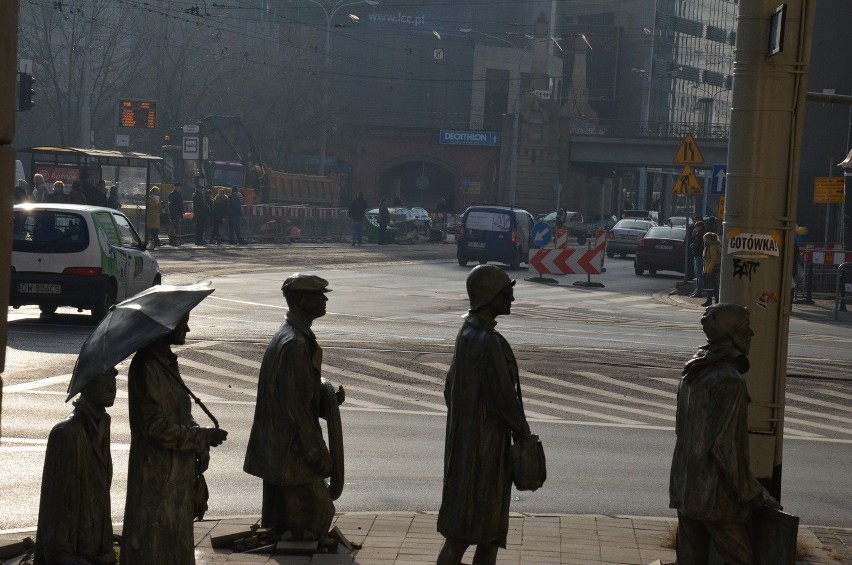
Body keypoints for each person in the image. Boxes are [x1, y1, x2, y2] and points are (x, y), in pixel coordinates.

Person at [669, 304, 781, 564]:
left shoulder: (692, 372)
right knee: (740, 558)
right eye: (745, 328)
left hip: (686, 486)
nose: (751, 333)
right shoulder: (728, 380)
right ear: (734, 334)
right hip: (716, 495)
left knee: (689, 558)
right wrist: (754, 492)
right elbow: (726, 449)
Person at [437, 265, 532, 565]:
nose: (512, 300)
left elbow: (448, 389)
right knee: (488, 533)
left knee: (460, 532)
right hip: (487, 450)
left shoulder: (466, 334)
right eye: (507, 294)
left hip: (464, 446)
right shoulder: (488, 341)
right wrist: (524, 433)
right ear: (490, 297)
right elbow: (505, 399)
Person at [121, 315, 228, 565]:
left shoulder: (165, 361)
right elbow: (155, 428)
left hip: (174, 475)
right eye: (182, 323)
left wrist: (200, 443)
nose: (187, 329)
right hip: (155, 477)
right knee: (156, 546)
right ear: (163, 325)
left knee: (174, 544)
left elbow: (179, 412)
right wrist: (201, 436)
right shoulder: (147, 366)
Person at [244, 274, 340, 550]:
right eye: (318, 295)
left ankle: (293, 537)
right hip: (290, 448)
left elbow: (297, 392)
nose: (325, 299)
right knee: (320, 514)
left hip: (283, 445)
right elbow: (296, 409)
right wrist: (317, 452)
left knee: (297, 515)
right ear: (299, 300)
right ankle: (298, 540)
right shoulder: (295, 344)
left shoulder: (293, 335)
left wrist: (327, 401)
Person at [35, 369, 118, 565]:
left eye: (114, 380)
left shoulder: (103, 423)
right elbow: (55, 503)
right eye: (104, 380)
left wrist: (105, 545)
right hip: (72, 554)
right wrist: (62, 557)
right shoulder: (66, 433)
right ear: (86, 385)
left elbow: (102, 495)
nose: (112, 387)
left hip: (96, 550)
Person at [702, 231, 721, 307]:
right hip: (708, 268)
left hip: (711, 269)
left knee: (713, 286)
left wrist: (709, 269)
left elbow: (713, 258)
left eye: (705, 238)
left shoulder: (712, 246)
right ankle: (709, 300)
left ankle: (714, 301)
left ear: (709, 239)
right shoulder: (709, 246)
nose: (704, 240)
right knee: (709, 286)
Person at [689, 220, 706, 298]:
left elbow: (699, 246)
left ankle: (699, 291)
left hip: (699, 255)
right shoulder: (699, 234)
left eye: (696, 227)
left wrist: (693, 247)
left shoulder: (700, 234)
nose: (695, 228)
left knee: (699, 274)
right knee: (698, 274)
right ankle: (698, 290)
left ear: (699, 227)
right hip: (698, 255)